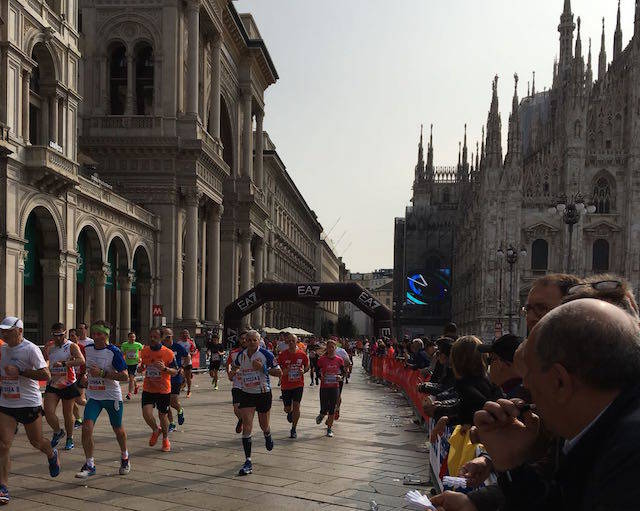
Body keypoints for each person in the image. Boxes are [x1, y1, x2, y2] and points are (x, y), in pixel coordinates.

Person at [469, 298, 640, 511]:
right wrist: (511, 464)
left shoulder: (628, 461)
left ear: (559, 382)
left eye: (530, 372)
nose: (526, 384)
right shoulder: (600, 432)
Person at [0, 316, 59, 504]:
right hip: (7, 403)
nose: (4, 333)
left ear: (19, 331)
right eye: (2, 330)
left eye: (8, 330)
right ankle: (3, 487)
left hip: (28, 402)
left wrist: (20, 371)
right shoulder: (3, 350)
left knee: (36, 442)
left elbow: (46, 374)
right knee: (3, 445)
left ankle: (51, 454)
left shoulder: (31, 349)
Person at [75, 321, 129, 479]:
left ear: (106, 335)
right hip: (94, 396)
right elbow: (85, 368)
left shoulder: (114, 351)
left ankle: (125, 457)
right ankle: (90, 464)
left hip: (112, 396)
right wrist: (84, 378)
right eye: (94, 333)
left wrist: (103, 374)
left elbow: (125, 376)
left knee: (118, 429)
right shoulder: (88, 349)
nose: (96, 336)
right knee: (86, 429)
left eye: (100, 334)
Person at [429, 336, 503, 442]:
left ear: (456, 361)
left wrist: (443, 413)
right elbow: (467, 408)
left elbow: (478, 407)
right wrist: (447, 418)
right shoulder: (484, 380)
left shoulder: (466, 384)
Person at [229, 330, 281, 476]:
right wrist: (232, 372)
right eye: (248, 340)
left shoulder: (266, 355)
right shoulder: (241, 355)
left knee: (263, 424)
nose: (251, 342)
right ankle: (248, 461)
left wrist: (263, 368)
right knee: (247, 426)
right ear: (245, 341)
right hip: (247, 394)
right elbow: (235, 366)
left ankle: (267, 434)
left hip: (263, 393)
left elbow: (279, 373)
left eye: (254, 340)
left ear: (259, 341)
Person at [44, 322, 85, 451]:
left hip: (68, 383)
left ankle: (69, 438)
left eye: (60, 335)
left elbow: (81, 360)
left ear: (64, 333)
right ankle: (57, 431)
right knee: (48, 412)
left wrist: (64, 363)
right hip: (53, 383)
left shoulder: (71, 346)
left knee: (67, 413)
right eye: (55, 335)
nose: (58, 338)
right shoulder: (49, 347)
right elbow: (46, 361)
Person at [140, 327, 178, 452]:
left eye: (155, 337)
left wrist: (165, 369)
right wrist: (141, 369)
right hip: (148, 388)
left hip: (163, 389)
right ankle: (156, 429)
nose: (152, 339)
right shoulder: (144, 351)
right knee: (146, 413)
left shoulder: (168, 353)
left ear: (161, 338)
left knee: (163, 416)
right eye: (151, 336)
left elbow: (175, 371)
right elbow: (143, 365)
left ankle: (165, 439)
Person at [277, 333, 309, 439]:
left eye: (293, 341)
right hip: (286, 385)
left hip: (298, 384)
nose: (291, 342)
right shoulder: (282, 354)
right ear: (286, 342)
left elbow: (307, 366)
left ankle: (294, 429)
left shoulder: (302, 354)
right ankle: (289, 411)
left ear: (296, 342)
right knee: (287, 408)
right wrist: (284, 371)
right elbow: (277, 369)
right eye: (289, 341)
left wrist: (303, 370)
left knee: (296, 406)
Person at [478, 334, 525, 399]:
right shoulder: (531, 390)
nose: (489, 366)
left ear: (500, 364)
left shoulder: (507, 399)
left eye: (491, 359)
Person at [315, 339, 345, 437]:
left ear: (335, 348)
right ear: (326, 348)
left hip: (334, 387)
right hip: (324, 387)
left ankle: (329, 429)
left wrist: (340, 377)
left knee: (332, 408)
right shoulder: (322, 359)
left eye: (332, 347)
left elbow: (343, 372)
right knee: (324, 407)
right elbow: (317, 370)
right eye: (329, 347)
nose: (330, 349)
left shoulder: (339, 360)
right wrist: (320, 376)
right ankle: (322, 414)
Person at [161, 328, 188, 432]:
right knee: (166, 403)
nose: (167, 338)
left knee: (173, 401)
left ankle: (180, 410)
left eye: (169, 336)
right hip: (164, 378)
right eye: (165, 336)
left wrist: (183, 367)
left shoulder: (178, 347)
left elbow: (187, 357)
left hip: (176, 377)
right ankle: (171, 423)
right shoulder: (161, 348)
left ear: (172, 335)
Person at [226, 332, 248, 434]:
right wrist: (229, 373)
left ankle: (245, 426)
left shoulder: (254, 352)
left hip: (250, 385)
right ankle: (242, 420)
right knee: (236, 409)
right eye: (242, 339)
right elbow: (228, 363)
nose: (244, 340)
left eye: (245, 339)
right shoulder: (234, 352)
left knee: (246, 408)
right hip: (237, 383)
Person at [68, 328, 87, 429]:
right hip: (70, 377)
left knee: (79, 400)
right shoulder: (67, 348)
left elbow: (86, 361)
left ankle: (91, 406)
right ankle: (78, 419)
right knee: (71, 400)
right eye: (70, 336)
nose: (72, 337)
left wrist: (85, 374)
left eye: (74, 335)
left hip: (80, 376)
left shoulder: (82, 347)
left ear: (78, 337)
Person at [120, 332, 143, 400]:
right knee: (131, 378)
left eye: (133, 337)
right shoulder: (124, 345)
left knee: (131, 378)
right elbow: (122, 353)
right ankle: (136, 386)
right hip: (127, 363)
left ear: (135, 338)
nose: (132, 338)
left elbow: (143, 352)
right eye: (131, 337)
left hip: (134, 363)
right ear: (128, 338)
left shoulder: (138, 345)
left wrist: (140, 358)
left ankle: (129, 393)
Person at [334, 341, 353, 420]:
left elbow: (348, 362)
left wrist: (346, 371)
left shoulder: (341, 351)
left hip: (339, 377)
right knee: (329, 397)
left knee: (337, 395)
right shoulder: (325, 353)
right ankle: (331, 412)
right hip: (329, 378)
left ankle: (337, 409)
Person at [177, 329, 196, 397]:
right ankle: (182, 384)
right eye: (183, 333)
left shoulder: (190, 343)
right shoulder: (178, 343)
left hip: (188, 362)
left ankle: (189, 391)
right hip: (180, 362)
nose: (185, 335)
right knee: (181, 376)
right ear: (181, 335)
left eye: (186, 333)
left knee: (188, 377)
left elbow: (193, 351)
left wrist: (187, 354)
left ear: (188, 335)